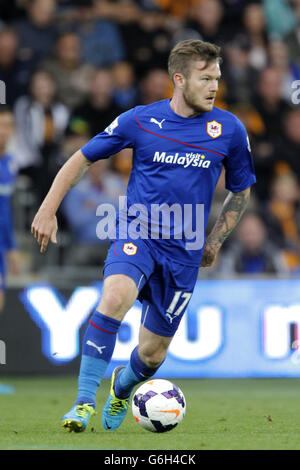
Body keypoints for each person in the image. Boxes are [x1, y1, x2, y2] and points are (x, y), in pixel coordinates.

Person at [31, 39, 256, 432]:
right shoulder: (140, 120)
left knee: (152, 354)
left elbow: (241, 189)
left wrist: (216, 239)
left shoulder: (230, 130)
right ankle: (82, 403)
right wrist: (48, 209)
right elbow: (82, 157)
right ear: (179, 79)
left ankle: (122, 387)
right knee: (115, 296)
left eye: (217, 78)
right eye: (205, 78)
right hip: (138, 232)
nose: (214, 86)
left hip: (184, 252)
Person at [0, 106, 19, 314]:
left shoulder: (11, 164)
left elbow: (5, 209)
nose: (3, 130)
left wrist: (11, 248)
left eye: (7, 125)